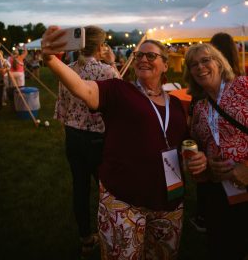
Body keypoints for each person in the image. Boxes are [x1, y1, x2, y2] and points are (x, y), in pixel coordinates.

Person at [42, 27, 206, 260]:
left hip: (168, 204)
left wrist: (196, 158)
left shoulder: (177, 106)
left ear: (166, 65)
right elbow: (84, 89)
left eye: (151, 56)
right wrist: (50, 59)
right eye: (139, 55)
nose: (143, 59)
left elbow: (186, 146)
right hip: (124, 202)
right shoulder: (119, 90)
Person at [54, 26, 120, 258]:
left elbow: (61, 108)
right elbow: (121, 98)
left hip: (73, 136)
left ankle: (85, 239)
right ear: (100, 46)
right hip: (98, 139)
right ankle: (111, 235)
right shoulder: (106, 71)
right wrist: (113, 64)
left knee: (80, 189)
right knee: (108, 190)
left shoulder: (67, 70)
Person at [184, 43, 248, 260]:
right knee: (223, 248)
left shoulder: (243, 86)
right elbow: (199, 147)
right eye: (193, 64)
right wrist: (202, 162)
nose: (200, 67)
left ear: (219, 63)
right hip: (219, 192)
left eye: (205, 60)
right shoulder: (200, 108)